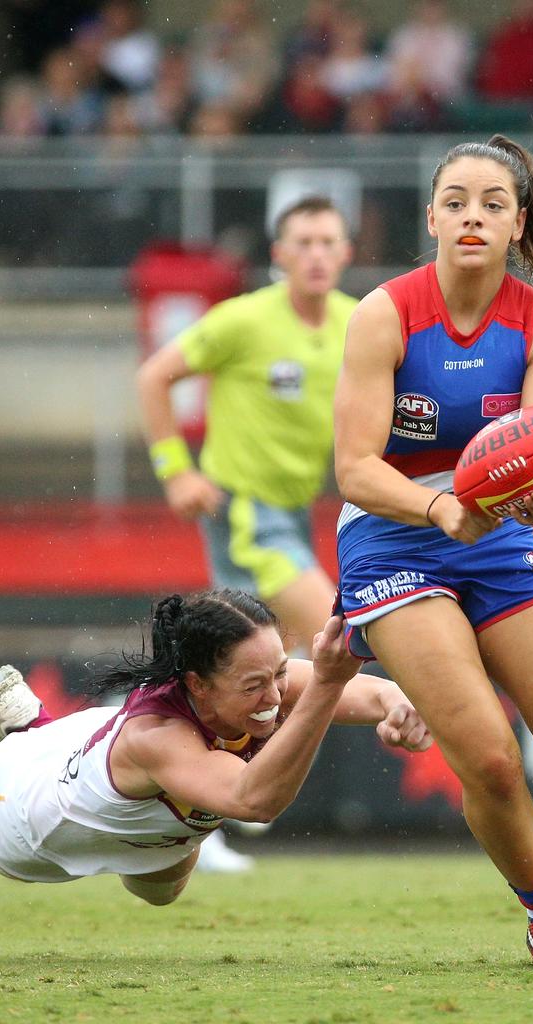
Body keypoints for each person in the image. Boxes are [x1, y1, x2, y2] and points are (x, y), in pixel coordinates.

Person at [333, 134, 533, 972]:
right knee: (490, 759)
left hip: (495, 533)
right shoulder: (383, 314)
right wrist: (438, 506)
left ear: (518, 222)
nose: (473, 216)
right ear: (431, 216)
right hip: (393, 534)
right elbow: (354, 469)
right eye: (457, 201)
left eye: (493, 204)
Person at [0, 590, 430, 900]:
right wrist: (328, 686)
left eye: (280, 674)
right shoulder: (160, 739)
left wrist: (400, 705)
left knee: (160, 892)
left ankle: (32, 724)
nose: (274, 695)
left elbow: (373, 691)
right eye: (254, 686)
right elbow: (255, 801)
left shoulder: (251, 678)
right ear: (197, 683)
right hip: (27, 826)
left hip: (97, 751)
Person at [137, 196, 356, 870]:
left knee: (245, 681)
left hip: (297, 513)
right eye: (304, 242)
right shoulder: (243, 320)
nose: (317, 253)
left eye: (329, 240)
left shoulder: (357, 323)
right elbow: (155, 376)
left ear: (345, 252)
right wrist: (176, 471)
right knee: (338, 633)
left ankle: (190, 810)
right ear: (280, 256)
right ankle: (207, 799)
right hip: (244, 513)